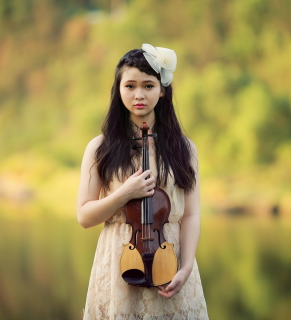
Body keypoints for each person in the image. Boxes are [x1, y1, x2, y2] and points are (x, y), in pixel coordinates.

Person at [77, 44, 209, 319]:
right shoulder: (100, 147)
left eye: (149, 86)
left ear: (162, 90)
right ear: (119, 89)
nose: (139, 95)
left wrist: (184, 269)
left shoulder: (184, 148)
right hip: (119, 261)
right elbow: (85, 216)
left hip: (169, 261)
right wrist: (123, 194)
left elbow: (191, 215)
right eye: (130, 86)